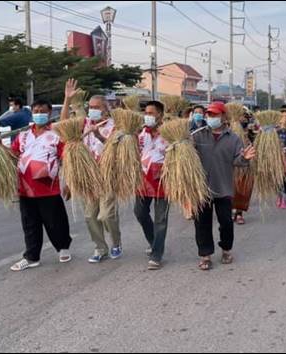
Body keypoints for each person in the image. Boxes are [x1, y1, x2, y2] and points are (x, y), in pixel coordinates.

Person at [61, 79, 122, 263]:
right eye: (91, 106)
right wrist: (67, 100)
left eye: (97, 107)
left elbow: (115, 149)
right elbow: (64, 123)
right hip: (89, 175)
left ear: (105, 108)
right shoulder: (84, 122)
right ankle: (100, 247)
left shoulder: (115, 125)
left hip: (107, 174)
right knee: (90, 215)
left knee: (106, 214)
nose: (93, 109)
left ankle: (116, 243)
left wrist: (97, 135)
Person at [9, 99, 72, 271]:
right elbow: (12, 155)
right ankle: (31, 257)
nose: (39, 114)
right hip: (25, 189)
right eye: (35, 111)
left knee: (55, 222)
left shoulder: (56, 136)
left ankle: (63, 247)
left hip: (48, 189)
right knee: (30, 225)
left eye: (42, 111)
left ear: (49, 113)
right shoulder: (23, 136)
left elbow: (68, 159)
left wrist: (70, 183)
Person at [193, 101, 256, 270]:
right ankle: (205, 255)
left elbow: (238, 161)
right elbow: (187, 157)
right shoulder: (197, 135)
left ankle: (226, 249)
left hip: (224, 187)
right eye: (209, 115)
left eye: (214, 115)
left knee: (226, 222)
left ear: (223, 117)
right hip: (202, 188)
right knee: (202, 223)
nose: (210, 117)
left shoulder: (233, 138)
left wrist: (245, 158)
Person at [134, 100, 170, 270]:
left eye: (151, 113)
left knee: (161, 220)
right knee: (139, 212)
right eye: (146, 113)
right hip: (143, 180)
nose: (147, 116)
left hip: (164, 181)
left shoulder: (170, 134)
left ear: (160, 115)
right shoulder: (141, 134)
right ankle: (154, 240)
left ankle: (156, 254)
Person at [232, 109, 259, 224]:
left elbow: (257, 144)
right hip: (232, 165)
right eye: (240, 117)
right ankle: (231, 210)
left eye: (244, 117)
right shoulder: (229, 130)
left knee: (243, 190)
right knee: (231, 189)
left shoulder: (252, 131)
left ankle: (239, 213)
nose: (242, 119)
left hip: (247, 166)